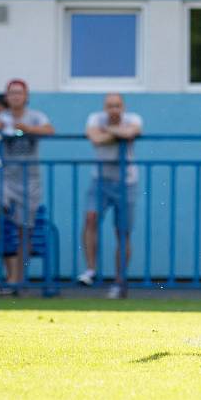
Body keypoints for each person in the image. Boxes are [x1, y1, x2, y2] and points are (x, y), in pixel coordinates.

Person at [0, 79, 54, 295]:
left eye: (19, 93)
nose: (15, 97)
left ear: (26, 95)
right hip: (4, 177)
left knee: (24, 228)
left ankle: (16, 279)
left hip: (29, 179)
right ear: (6, 96)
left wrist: (28, 129)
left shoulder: (36, 116)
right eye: (11, 93)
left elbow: (50, 130)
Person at [77, 93, 143, 299]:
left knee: (122, 232)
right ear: (104, 108)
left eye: (117, 106)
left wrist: (110, 132)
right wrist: (117, 133)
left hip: (127, 182)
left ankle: (119, 281)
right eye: (110, 106)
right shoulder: (95, 118)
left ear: (123, 107)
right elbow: (95, 138)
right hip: (100, 180)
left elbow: (132, 132)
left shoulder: (134, 118)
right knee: (90, 219)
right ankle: (90, 270)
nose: (113, 109)